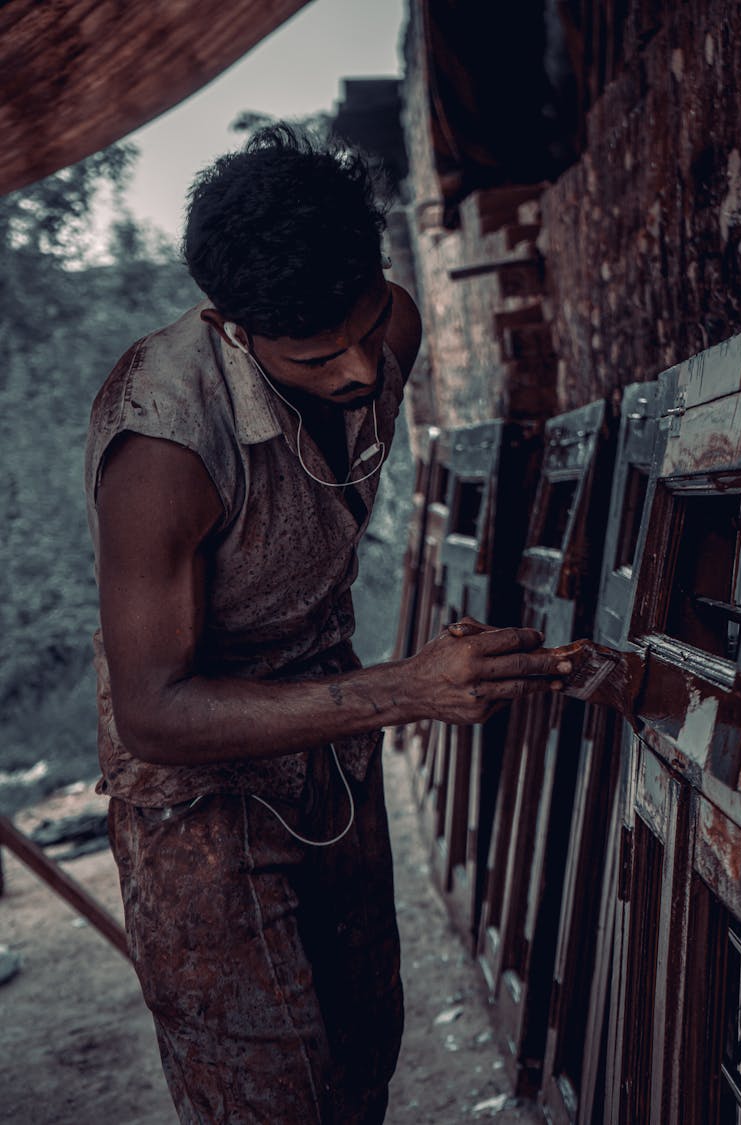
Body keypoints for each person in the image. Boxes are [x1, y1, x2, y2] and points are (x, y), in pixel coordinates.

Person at [84, 124, 571, 1124]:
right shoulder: (163, 445)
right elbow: (153, 712)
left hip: (324, 711)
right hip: (195, 775)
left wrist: (378, 696)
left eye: (362, 333)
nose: (358, 372)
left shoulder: (389, 321)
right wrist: (407, 690)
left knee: (359, 1051)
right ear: (231, 327)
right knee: (269, 1092)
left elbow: (363, 342)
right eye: (316, 357)